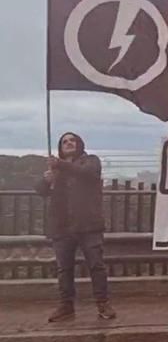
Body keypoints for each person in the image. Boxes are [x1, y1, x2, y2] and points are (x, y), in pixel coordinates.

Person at [34, 132, 116, 322]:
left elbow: (87, 173)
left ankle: (103, 304)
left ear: (79, 144)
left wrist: (59, 165)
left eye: (72, 140)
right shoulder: (56, 169)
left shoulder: (91, 161)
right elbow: (40, 190)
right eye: (64, 142)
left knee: (96, 266)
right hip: (62, 226)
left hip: (89, 225)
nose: (68, 143)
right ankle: (66, 306)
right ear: (60, 147)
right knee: (64, 269)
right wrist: (47, 180)